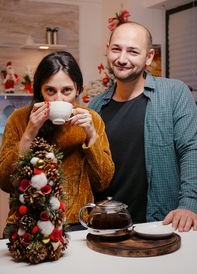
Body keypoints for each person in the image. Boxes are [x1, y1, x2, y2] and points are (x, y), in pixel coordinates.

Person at [89, 21, 197, 232]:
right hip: (108, 226)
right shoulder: (95, 107)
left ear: (149, 57)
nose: (122, 59)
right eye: (116, 49)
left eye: (133, 52)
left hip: (161, 225)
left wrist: (189, 204)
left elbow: (191, 150)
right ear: (107, 50)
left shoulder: (174, 93)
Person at [0, 51, 114, 235]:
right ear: (39, 91)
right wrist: (30, 133)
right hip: (26, 223)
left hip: (77, 222)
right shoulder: (19, 120)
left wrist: (91, 134)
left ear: (78, 89)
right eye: (50, 91)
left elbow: (103, 182)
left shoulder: (90, 119)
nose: (59, 99)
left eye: (67, 90)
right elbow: (5, 182)